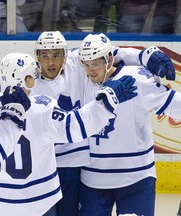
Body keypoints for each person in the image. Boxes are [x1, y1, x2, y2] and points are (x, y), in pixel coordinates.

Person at [0, 52, 137, 216]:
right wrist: (108, 100)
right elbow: (77, 125)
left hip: (1, 205)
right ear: (28, 80)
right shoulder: (40, 109)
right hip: (40, 206)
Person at [31, 30, 175, 216]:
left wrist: (143, 55)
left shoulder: (79, 62)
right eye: (45, 55)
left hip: (116, 173)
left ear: (65, 55)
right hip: (68, 172)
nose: (51, 61)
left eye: (56, 55)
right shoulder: (32, 78)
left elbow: (111, 52)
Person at [77, 33, 181, 216]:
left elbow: (173, 104)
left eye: (96, 64)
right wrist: (141, 55)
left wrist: (143, 55)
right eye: (87, 64)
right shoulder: (78, 77)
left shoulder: (136, 79)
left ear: (109, 60)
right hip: (92, 179)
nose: (91, 70)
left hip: (136, 177)